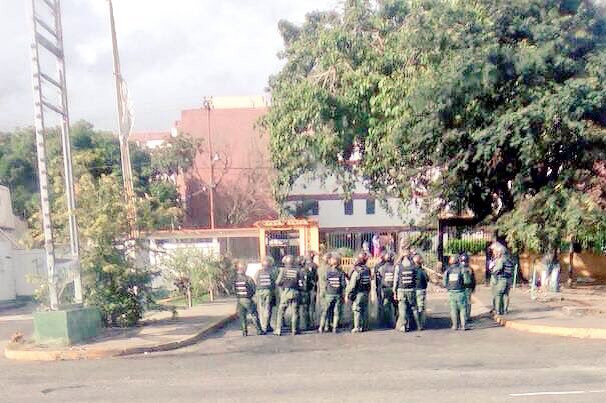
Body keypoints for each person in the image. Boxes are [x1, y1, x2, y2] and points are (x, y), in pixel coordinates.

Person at [233, 261, 264, 336]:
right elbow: (254, 288)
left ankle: (244, 332)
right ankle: (259, 330)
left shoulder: (235, 279)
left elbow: (233, 290)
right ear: (244, 269)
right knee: (254, 314)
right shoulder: (248, 278)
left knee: (242, 316)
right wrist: (252, 296)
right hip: (247, 299)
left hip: (239, 300)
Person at [393, 251, 421, 332]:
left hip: (401, 290)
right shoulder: (413, 266)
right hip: (411, 289)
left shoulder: (399, 267)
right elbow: (416, 278)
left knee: (402, 308)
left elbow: (396, 280)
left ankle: (404, 326)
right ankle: (418, 325)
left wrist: (394, 291)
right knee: (414, 308)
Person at [275, 255, 302, 336]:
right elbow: (300, 283)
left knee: (281, 311)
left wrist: (282, 286)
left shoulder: (283, 270)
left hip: (286, 292)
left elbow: (277, 282)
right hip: (295, 292)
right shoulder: (297, 270)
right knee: (295, 312)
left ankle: (278, 330)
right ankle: (294, 330)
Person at [318, 254, 346, 334]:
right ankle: (334, 327)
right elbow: (343, 284)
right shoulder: (340, 273)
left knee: (325, 311)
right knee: (336, 312)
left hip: (328, 294)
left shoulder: (326, 271)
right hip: (337, 294)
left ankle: (321, 327)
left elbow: (324, 281)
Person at [346, 252, 372, 333]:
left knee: (357, 310)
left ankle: (357, 327)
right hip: (366, 292)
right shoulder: (367, 269)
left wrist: (347, 293)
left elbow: (352, 285)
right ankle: (364, 326)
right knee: (364, 310)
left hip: (358, 293)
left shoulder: (357, 272)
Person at [443, 255, 468, 331]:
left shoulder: (447, 270)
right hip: (461, 292)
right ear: (458, 261)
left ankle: (455, 326)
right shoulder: (462, 269)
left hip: (451, 293)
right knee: (463, 309)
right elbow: (467, 281)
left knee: (453, 310)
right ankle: (463, 326)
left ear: (450, 262)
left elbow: (444, 283)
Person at [254, 256, 277, 333]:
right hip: (268, 291)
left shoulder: (258, 272)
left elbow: (255, 280)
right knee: (268, 309)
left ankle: (263, 325)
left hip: (259, 291)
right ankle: (266, 326)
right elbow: (274, 282)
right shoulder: (271, 272)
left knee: (261, 309)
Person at [377, 251, 397, 328]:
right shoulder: (395, 267)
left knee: (386, 306)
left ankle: (388, 322)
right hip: (394, 289)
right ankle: (396, 319)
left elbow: (379, 279)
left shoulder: (381, 268)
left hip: (385, 289)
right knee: (396, 306)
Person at [302, 251, 319, 330]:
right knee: (312, 307)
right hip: (312, 288)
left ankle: (306, 324)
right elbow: (317, 277)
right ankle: (312, 323)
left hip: (304, 289)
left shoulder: (302, 265)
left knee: (305, 306)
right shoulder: (315, 266)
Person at [490, 248, 509, 315]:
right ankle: (505, 310)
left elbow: (499, 268)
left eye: (499, 252)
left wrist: (493, 270)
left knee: (498, 295)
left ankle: (498, 311)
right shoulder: (508, 260)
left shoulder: (501, 260)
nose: (498, 253)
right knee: (505, 295)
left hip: (502, 279)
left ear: (501, 253)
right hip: (508, 279)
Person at [413, 254, 429, 329]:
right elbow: (427, 279)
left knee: (414, 308)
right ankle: (420, 324)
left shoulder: (411, 270)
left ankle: (416, 323)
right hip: (421, 290)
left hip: (413, 290)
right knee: (420, 308)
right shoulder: (422, 271)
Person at [459, 253, 476, 322]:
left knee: (461, 302)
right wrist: (473, 288)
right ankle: (467, 317)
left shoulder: (459, 268)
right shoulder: (470, 268)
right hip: (468, 288)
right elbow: (473, 279)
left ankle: (461, 317)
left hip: (461, 288)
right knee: (468, 302)